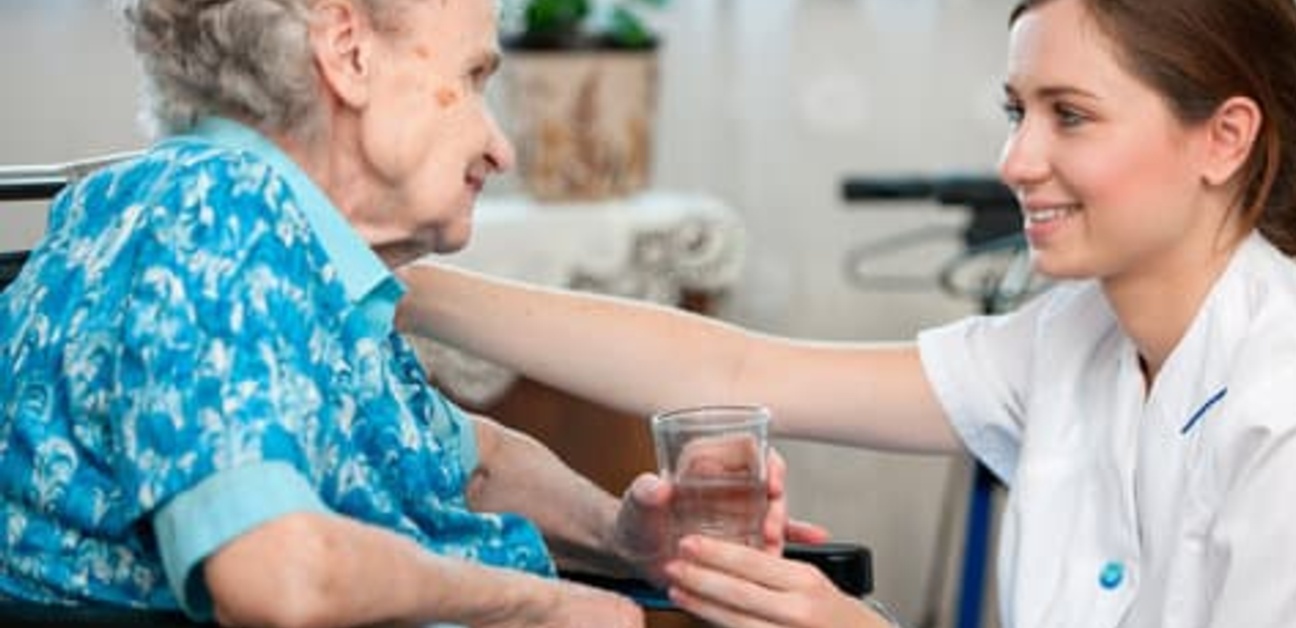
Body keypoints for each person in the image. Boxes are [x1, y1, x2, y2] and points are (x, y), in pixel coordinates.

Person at [395, 0, 1296, 626]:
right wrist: (398, 284)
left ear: (1226, 137)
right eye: (1019, 111)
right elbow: (728, 361)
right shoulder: (1083, 341)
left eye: (1071, 116)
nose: (1017, 160)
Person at [0, 0, 809, 626]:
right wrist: (538, 604)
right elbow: (277, 575)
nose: (502, 149)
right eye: (474, 76)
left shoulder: (260, 238)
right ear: (349, 54)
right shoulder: (218, 213)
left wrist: (625, 537)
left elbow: (474, 464)